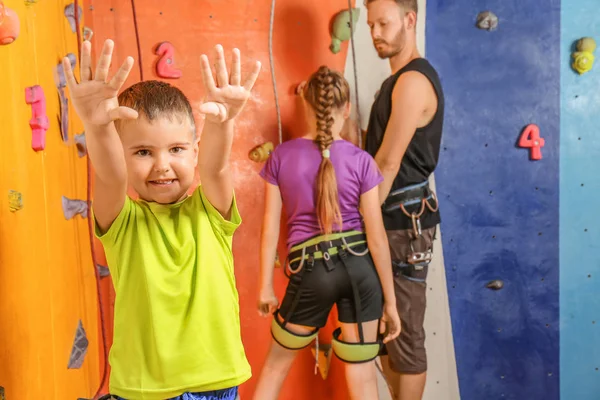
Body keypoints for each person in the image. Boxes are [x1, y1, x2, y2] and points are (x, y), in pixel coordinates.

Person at [62, 38, 260, 400]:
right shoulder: (123, 221)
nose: (162, 165)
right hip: (145, 390)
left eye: (176, 149)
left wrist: (224, 120)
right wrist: (96, 126)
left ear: (193, 150)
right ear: (123, 155)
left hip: (216, 381)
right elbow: (109, 176)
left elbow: (214, 167)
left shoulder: (210, 213)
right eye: (142, 152)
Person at [252, 65, 401, 400]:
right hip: (361, 271)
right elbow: (376, 239)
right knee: (362, 375)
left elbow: (269, 230)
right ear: (346, 110)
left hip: (312, 270)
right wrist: (390, 302)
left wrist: (265, 286)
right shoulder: (362, 161)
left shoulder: (280, 157)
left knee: (276, 366)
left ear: (306, 106)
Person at [362, 1, 446, 399]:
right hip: (392, 220)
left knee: (405, 335)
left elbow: (388, 161)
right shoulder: (394, 82)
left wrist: (361, 222)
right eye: (371, 24)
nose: (375, 32)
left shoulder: (413, 82)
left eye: (384, 23)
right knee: (389, 334)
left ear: (409, 20)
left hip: (401, 223)